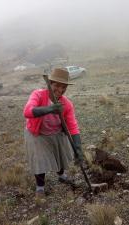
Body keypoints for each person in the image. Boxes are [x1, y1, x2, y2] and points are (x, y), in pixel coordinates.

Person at [23, 68, 83, 199]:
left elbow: (73, 127)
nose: (60, 90)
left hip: (56, 132)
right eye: (56, 85)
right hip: (37, 134)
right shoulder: (38, 95)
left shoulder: (67, 104)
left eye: (63, 87)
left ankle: (61, 175)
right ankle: (40, 187)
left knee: (59, 155)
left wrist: (78, 149)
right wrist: (50, 109)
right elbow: (27, 111)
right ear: (49, 84)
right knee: (40, 160)